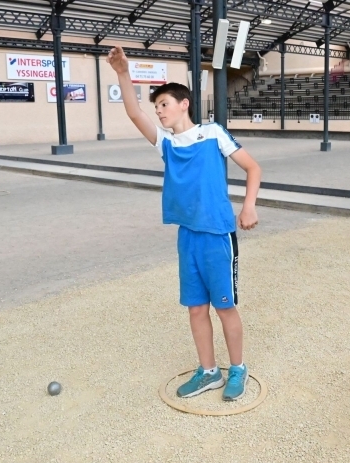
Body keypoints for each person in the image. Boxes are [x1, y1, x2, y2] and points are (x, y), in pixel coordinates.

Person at [107, 45, 262, 401]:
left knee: (224, 306)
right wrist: (122, 73)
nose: (158, 111)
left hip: (217, 233)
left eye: (164, 104)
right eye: (156, 106)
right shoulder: (166, 143)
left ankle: (237, 368)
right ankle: (208, 371)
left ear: (184, 104)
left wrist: (249, 206)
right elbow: (134, 114)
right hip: (187, 235)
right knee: (195, 307)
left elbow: (254, 168)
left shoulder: (213, 133)